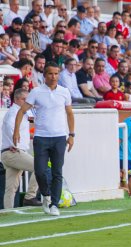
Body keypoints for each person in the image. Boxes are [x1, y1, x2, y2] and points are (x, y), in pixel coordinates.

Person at [13, 61, 75, 217]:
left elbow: (69, 113)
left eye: (56, 73)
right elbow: (21, 111)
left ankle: (54, 204)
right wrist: (16, 132)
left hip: (60, 137)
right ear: (44, 75)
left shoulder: (64, 91)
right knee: (40, 171)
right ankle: (46, 195)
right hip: (41, 137)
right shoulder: (36, 92)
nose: (53, 77)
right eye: (50, 73)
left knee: (57, 172)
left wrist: (72, 134)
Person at [1, 89, 41, 208]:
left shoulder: (22, 112)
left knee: (11, 188)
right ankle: (30, 197)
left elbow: (20, 130)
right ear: (17, 99)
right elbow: (9, 127)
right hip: (13, 152)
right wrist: (14, 145)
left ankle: (8, 212)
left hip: (9, 153)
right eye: (24, 99)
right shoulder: (14, 112)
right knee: (40, 167)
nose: (27, 102)